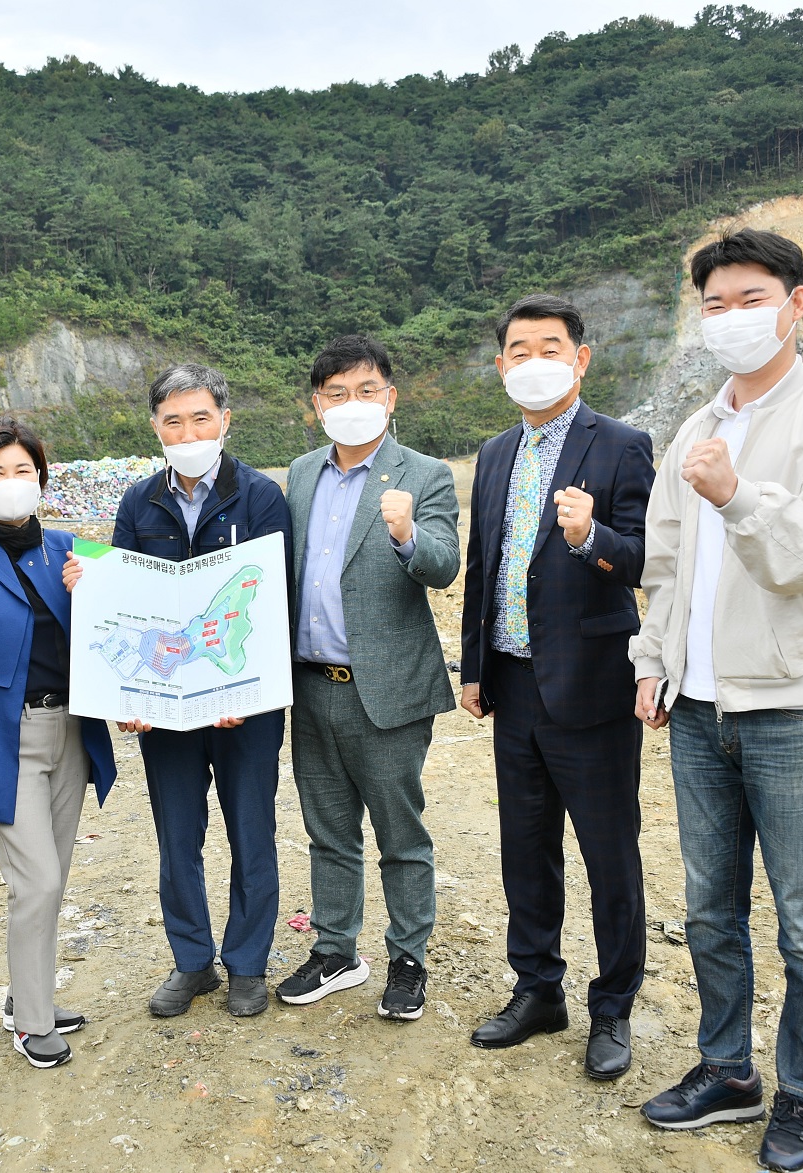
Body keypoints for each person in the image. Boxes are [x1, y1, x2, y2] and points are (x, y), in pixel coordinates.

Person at [629, 229, 803, 1173]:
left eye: (751, 297)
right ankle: (727, 1068)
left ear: (797, 303)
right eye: (715, 302)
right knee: (710, 909)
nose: (732, 316)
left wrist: (739, 498)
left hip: (789, 711)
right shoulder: (696, 430)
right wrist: (652, 662)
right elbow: (665, 565)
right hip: (696, 714)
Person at [457, 294, 655, 1079]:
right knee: (525, 849)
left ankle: (612, 1008)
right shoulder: (497, 452)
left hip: (593, 687)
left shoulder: (622, 446)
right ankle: (538, 987)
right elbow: (486, 562)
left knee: (610, 855)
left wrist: (591, 537)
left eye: (550, 346)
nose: (533, 360)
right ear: (502, 363)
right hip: (514, 680)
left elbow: (643, 557)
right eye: (518, 348)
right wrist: (474, 667)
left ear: (581, 357)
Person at [100, 364, 293, 1018]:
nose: (188, 431)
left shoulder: (261, 497)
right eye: (173, 420)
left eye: (200, 418)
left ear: (225, 420)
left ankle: (246, 964)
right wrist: (130, 696)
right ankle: (192, 961)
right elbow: (124, 605)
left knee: (251, 830)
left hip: (246, 704)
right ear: (155, 426)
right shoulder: (137, 504)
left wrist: (249, 682)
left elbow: (272, 604)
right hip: (167, 708)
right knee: (176, 834)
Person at [276, 334, 459, 1020]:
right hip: (311, 683)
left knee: (400, 832)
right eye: (336, 394)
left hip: (385, 688)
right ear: (315, 404)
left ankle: (408, 957)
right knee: (328, 827)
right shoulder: (299, 475)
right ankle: (335, 947)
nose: (352, 404)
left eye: (366, 390)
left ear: (390, 396)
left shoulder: (425, 473)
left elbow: (444, 565)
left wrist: (408, 533)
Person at [0, 422, 118, 1068]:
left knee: (51, 877)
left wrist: (91, 591)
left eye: (23, 470)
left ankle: (27, 996)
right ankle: (32, 1022)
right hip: (5, 740)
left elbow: (114, 633)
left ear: (41, 476)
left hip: (69, 730)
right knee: (33, 881)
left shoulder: (66, 549)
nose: (12, 484)